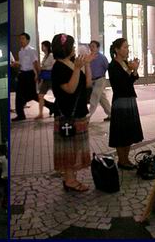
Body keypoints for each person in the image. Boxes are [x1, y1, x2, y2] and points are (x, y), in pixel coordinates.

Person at [50, 34, 94, 192]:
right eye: (72, 45)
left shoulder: (71, 62)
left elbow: (87, 83)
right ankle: (69, 180)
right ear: (65, 48)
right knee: (69, 149)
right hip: (67, 114)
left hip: (79, 111)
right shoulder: (58, 67)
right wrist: (77, 68)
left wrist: (86, 65)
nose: (75, 48)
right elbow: (70, 88)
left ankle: (71, 178)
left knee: (75, 148)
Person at [107, 38, 144, 169]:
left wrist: (134, 70)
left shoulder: (124, 62)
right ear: (117, 50)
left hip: (129, 99)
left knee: (129, 130)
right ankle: (122, 160)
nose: (127, 50)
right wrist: (130, 70)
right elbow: (120, 84)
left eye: (128, 47)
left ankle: (126, 159)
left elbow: (131, 80)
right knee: (121, 131)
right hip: (120, 101)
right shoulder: (113, 65)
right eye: (125, 47)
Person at [12, 32, 39, 121]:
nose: (21, 40)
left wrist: (38, 75)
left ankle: (52, 106)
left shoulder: (32, 50)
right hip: (22, 74)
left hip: (30, 74)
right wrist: (15, 63)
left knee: (33, 95)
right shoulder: (20, 52)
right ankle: (20, 114)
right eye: (20, 39)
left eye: (23, 38)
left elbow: (35, 63)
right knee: (19, 94)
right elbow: (22, 63)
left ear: (28, 40)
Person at [87, 40, 112, 121]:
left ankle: (87, 118)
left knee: (94, 98)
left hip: (100, 79)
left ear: (98, 48)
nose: (91, 48)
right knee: (102, 99)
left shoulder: (102, 58)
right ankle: (111, 114)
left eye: (93, 46)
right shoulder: (88, 57)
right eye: (90, 46)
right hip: (92, 80)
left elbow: (107, 68)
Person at [36, 40, 58, 119]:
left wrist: (44, 68)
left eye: (43, 46)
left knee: (57, 95)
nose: (42, 48)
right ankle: (40, 113)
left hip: (51, 77)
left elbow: (54, 66)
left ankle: (58, 110)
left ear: (47, 47)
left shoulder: (51, 55)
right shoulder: (45, 56)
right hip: (45, 78)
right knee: (40, 95)